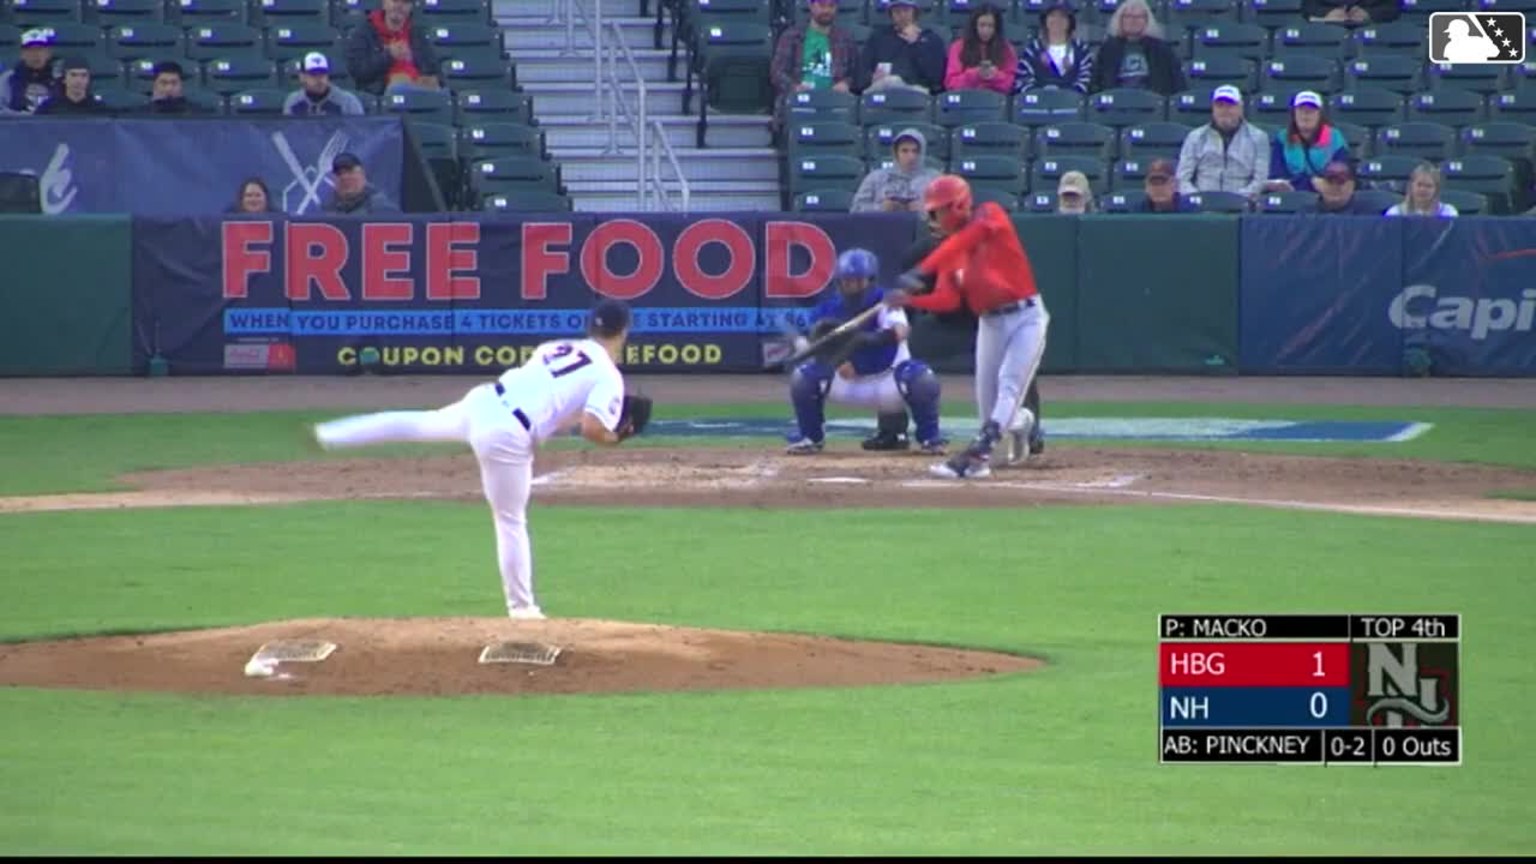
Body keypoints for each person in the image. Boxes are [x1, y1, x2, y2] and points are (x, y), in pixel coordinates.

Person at [312, 300, 649, 620]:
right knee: (510, 521)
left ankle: (328, 434)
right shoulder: (608, 375)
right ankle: (523, 610)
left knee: (414, 423)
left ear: (590, 326)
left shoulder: (554, 347)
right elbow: (592, 429)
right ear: (624, 332)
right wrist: (614, 437)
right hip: (506, 434)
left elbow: (554, 401)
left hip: (483, 402)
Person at [886, 175, 1050, 479]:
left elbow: (969, 237)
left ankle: (976, 457)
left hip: (1027, 317)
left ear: (956, 206)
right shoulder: (951, 250)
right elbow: (947, 299)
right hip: (989, 322)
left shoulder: (989, 214)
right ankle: (1023, 422)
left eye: (937, 212)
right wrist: (910, 301)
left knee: (1009, 382)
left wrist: (923, 269)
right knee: (990, 412)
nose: (933, 219)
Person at [785, 248, 948, 455]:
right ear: (839, 282)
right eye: (847, 281)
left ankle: (930, 439)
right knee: (803, 377)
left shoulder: (885, 302)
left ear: (870, 280)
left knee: (922, 378)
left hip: (887, 381)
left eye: (858, 281)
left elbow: (901, 331)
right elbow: (817, 342)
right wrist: (836, 361)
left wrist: (865, 339)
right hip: (847, 383)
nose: (852, 287)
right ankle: (810, 437)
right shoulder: (827, 310)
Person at [771, 0, 859, 130]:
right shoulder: (791, 36)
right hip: (801, 100)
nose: (826, 11)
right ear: (811, 6)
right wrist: (795, 87)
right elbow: (777, 72)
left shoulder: (845, 38)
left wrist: (846, 83)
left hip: (834, 101)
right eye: (822, 5)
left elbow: (857, 72)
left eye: (831, 6)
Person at [1176, 85, 1270, 199]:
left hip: (1242, 203)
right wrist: (1197, 197)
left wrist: (1237, 199)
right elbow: (1182, 178)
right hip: (1202, 203)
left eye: (1230, 105)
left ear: (1240, 108)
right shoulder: (1195, 137)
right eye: (1220, 106)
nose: (1225, 110)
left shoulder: (1259, 138)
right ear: (1213, 109)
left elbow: (1260, 180)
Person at [345, 0, 441, 97]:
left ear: (411, 8)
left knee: (441, 91)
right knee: (399, 83)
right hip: (383, 94)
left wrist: (428, 78)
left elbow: (435, 69)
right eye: (394, 1)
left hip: (418, 88)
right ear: (384, 4)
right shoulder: (364, 33)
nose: (399, 6)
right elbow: (358, 71)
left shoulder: (417, 34)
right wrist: (389, 55)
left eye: (405, 2)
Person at [1090, 0, 1185, 96]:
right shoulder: (1108, 49)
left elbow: (1176, 83)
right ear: (1120, 20)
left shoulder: (1162, 50)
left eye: (1138, 17)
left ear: (1147, 20)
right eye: (1128, 16)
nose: (1133, 21)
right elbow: (1096, 83)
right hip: (1116, 103)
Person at [1266, 90, 1350, 195]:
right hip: (1291, 194)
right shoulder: (1282, 138)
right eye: (1301, 110)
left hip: (1325, 194)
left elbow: (1339, 175)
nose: (1306, 115)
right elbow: (1277, 175)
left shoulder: (1335, 138)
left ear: (1320, 114)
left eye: (1311, 110)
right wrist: (1309, 182)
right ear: (1294, 114)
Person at [860, 0, 948, 94]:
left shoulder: (931, 39)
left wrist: (915, 44)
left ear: (915, 13)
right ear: (891, 14)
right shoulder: (878, 37)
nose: (902, 15)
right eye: (897, 11)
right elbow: (862, 70)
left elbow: (935, 77)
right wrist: (871, 77)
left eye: (906, 10)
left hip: (917, 90)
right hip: (881, 88)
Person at [849, 127, 941, 213]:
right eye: (904, 151)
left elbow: (947, 211)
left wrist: (924, 209)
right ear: (896, 153)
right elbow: (855, 209)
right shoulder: (875, 178)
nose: (911, 156)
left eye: (915, 151)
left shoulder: (935, 179)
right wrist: (881, 208)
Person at [1013, 1, 1093, 94]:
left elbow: (1086, 80)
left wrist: (1067, 96)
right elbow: (1023, 81)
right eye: (1052, 15)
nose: (1057, 20)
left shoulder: (1081, 49)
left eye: (1062, 16)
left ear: (1070, 21)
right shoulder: (1033, 49)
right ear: (1045, 19)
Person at [944, 4, 1017, 95]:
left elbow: (1011, 84)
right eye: (982, 25)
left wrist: (995, 76)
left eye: (990, 26)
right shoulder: (958, 47)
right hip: (965, 99)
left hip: (995, 102)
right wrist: (975, 74)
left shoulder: (1006, 48)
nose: (986, 30)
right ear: (974, 26)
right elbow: (951, 83)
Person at [285, 52, 366, 116]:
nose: (320, 79)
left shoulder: (348, 101)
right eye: (314, 75)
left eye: (323, 74)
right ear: (302, 77)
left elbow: (360, 133)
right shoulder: (293, 101)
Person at [1, 28, 57, 115]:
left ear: (48, 53)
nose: (36, 54)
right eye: (30, 50)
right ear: (22, 54)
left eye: (40, 49)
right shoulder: (8, 78)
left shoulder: (59, 78)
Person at [324, 152, 402, 214]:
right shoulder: (325, 212)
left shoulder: (382, 209)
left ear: (362, 175)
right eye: (339, 174)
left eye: (350, 172)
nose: (344, 177)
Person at [34, 57, 105, 115]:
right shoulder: (47, 109)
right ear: (64, 79)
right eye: (73, 75)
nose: (78, 81)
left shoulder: (99, 110)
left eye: (84, 75)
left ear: (88, 79)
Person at [1386, 163, 1459, 218]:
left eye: (1428, 186)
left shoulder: (1448, 212)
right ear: (1411, 186)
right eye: (1419, 185)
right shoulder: (1395, 213)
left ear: (1436, 189)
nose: (1423, 189)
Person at [1302, 0, 1400, 24]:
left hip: (1372, 29)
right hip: (1327, 30)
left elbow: (1392, 8)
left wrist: (1369, 14)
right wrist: (1328, 14)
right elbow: (1308, 7)